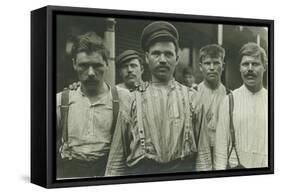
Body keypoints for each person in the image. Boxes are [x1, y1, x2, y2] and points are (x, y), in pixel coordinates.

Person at [105, 21, 197, 176]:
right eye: (156, 53)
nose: (162, 59)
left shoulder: (191, 98)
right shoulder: (132, 99)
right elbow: (117, 157)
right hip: (141, 175)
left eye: (168, 54)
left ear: (177, 58)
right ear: (147, 58)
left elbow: (204, 156)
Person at [56, 32, 132, 179]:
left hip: (109, 172)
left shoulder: (124, 98)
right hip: (70, 174)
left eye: (97, 66)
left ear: (107, 64)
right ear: (74, 64)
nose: (90, 73)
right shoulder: (60, 101)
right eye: (84, 65)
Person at [214, 42, 268, 170]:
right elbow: (221, 148)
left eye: (255, 64)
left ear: (264, 67)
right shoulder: (229, 100)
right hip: (237, 171)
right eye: (245, 64)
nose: (250, 69)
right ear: (239, 68)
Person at [193, 44, 230, 171]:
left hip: (223, 153)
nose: (212, 68)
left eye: (216, 63)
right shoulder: (192, 93)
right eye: (207, 63)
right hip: (197, 153)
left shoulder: (230, 95)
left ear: (223, 66)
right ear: (200, 67)